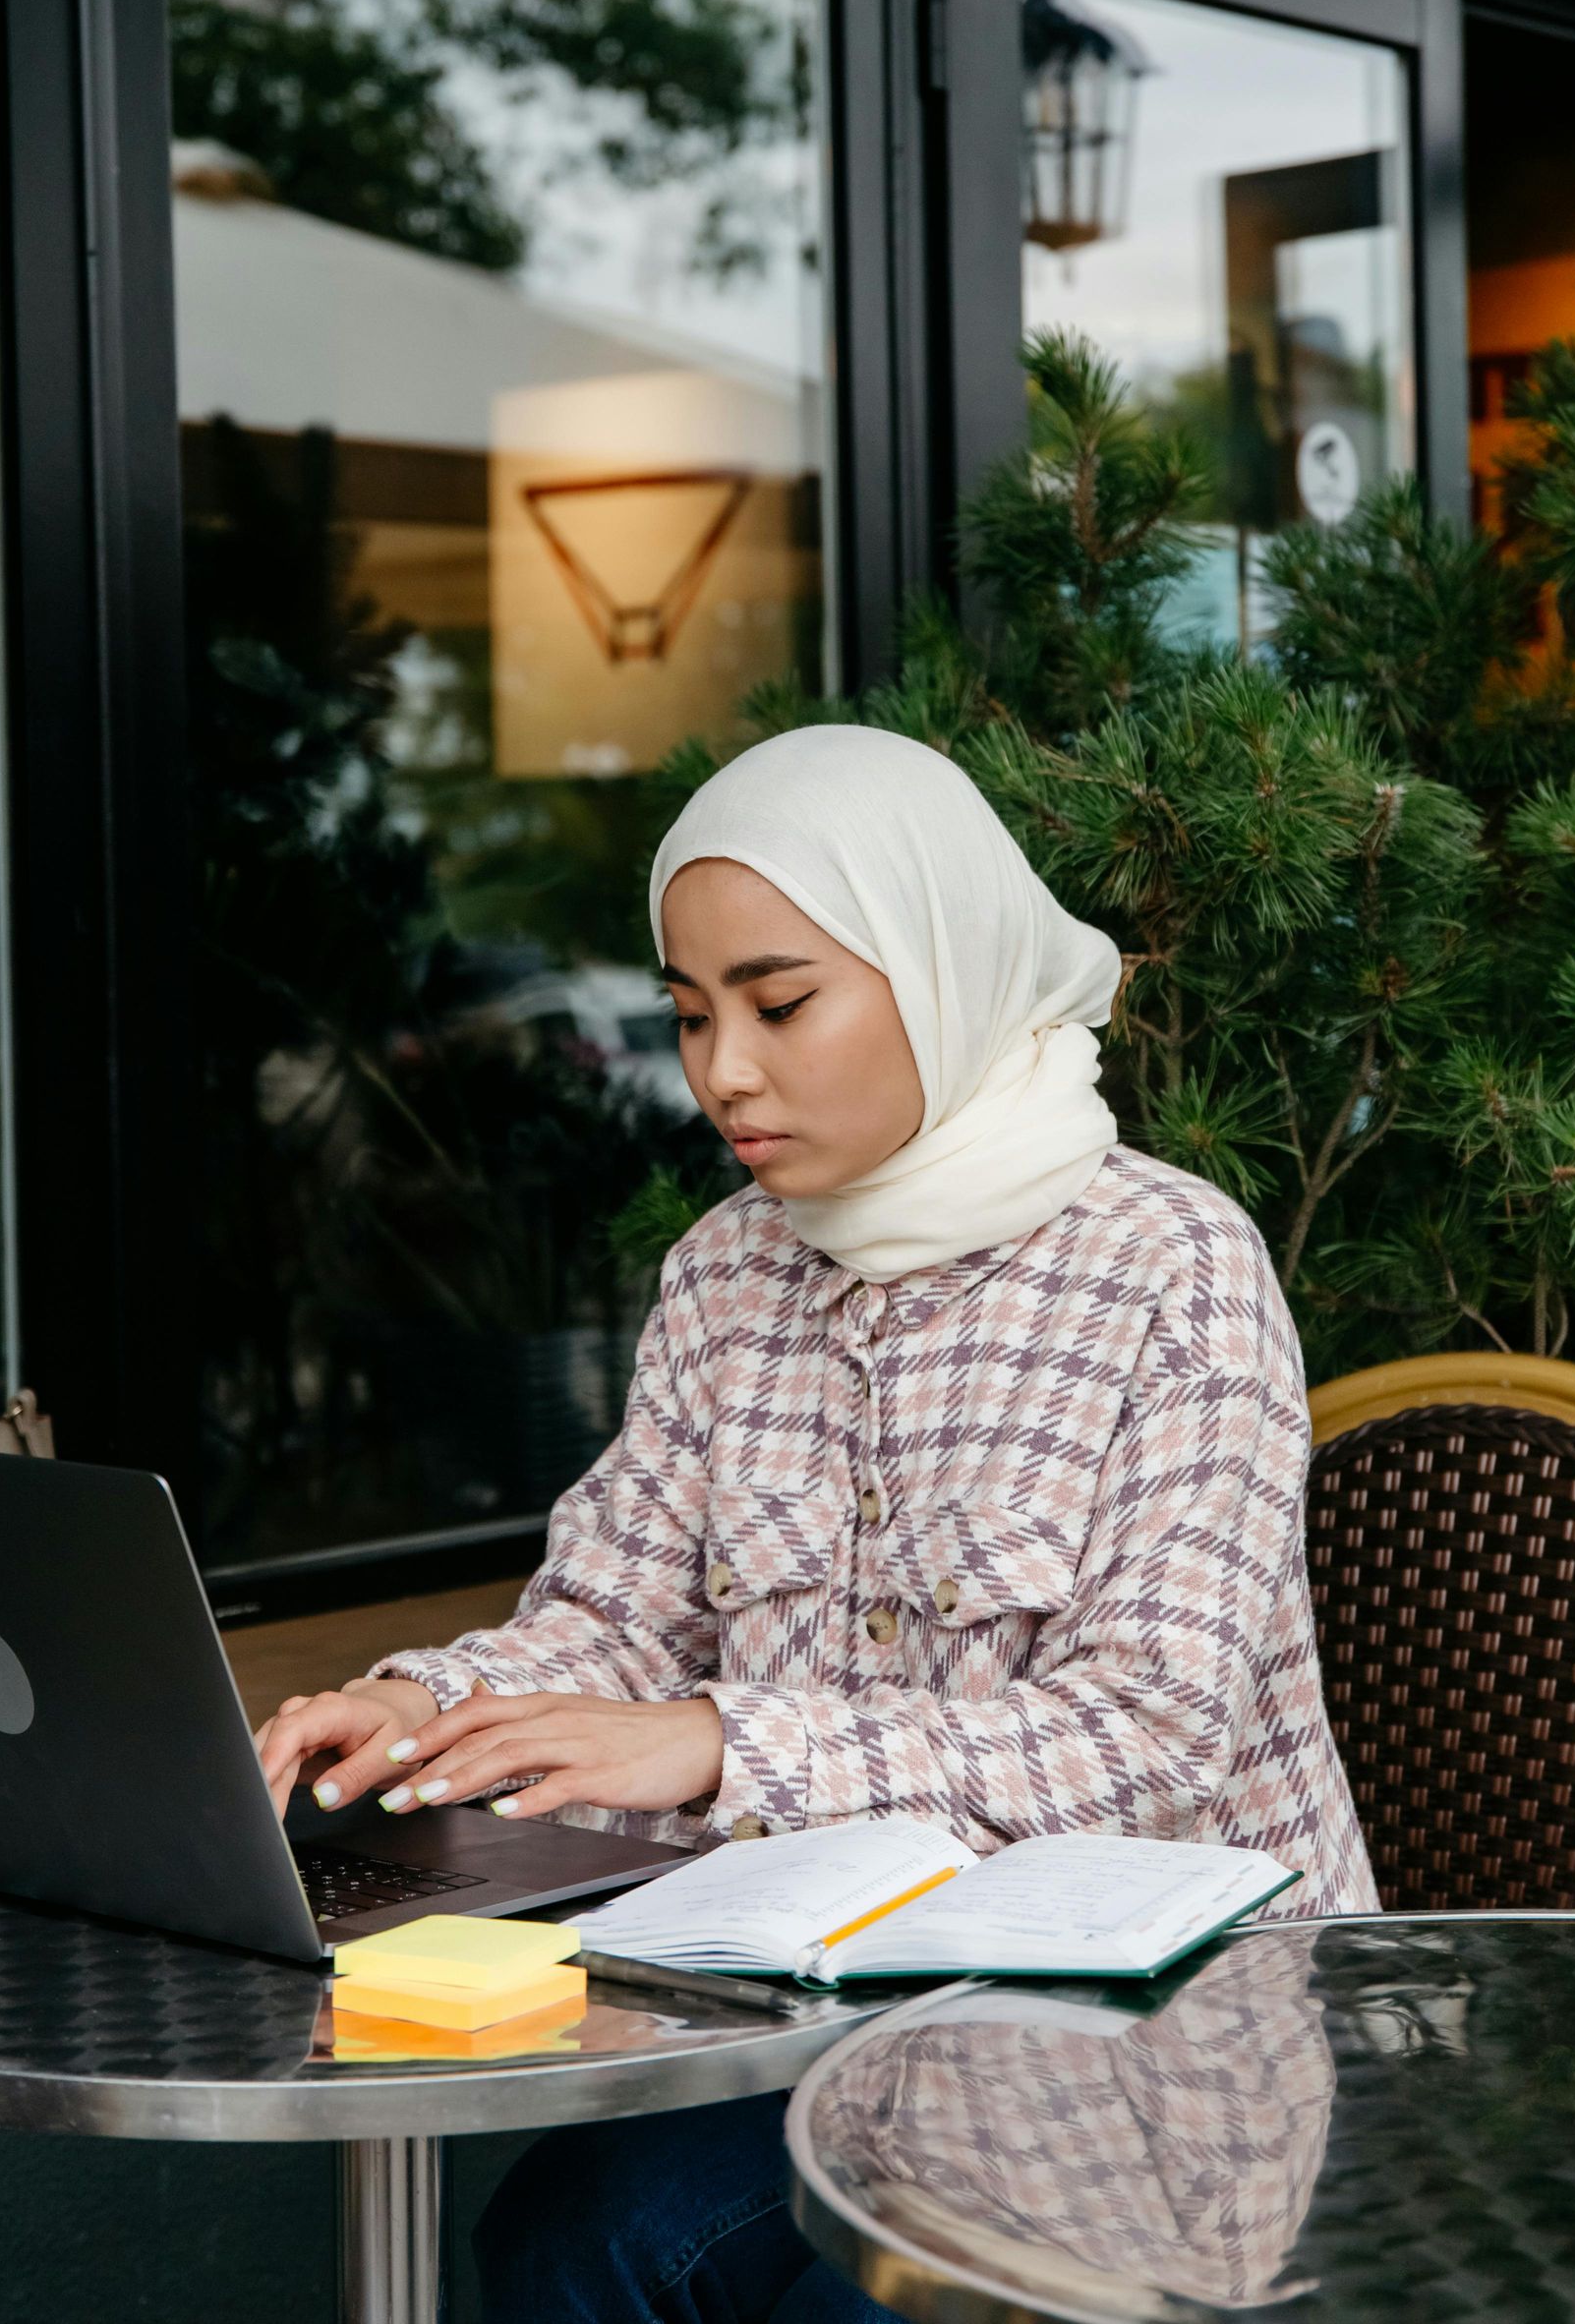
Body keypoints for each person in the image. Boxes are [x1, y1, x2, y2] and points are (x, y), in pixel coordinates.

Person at [258, 724, 1377, 2322]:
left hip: (1154, 2049)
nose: (724, 1070)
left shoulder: (1173, 1270)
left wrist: (723, 1744)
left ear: (939, 968)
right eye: (692, 1014)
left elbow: (1149, 1741)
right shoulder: (728, 1272)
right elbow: (618, 1618)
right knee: (567, 2243)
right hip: (810, 2011)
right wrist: (423, 1705)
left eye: (782, 1004)